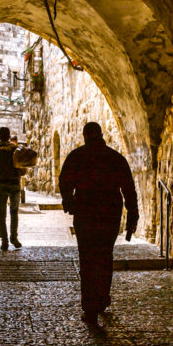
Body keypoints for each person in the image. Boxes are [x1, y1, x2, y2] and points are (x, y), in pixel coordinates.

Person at [59, 121, 139, 325]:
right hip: (109, 215)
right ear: (101, 135)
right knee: (104, 257)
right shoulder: (115, 158)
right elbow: (129, 189)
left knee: (87, 260)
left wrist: (69, 203)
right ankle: (102, 298)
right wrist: (132, 216)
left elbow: (65, 182)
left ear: (85, 135)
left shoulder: (77, 157)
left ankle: (90, 308)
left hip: (85, 214)